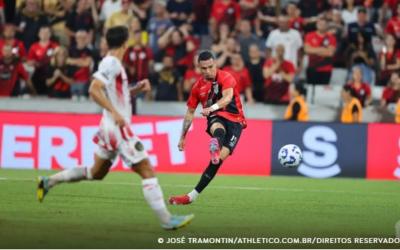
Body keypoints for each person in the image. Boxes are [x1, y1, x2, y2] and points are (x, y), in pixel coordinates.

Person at [36, 26, 194, 230]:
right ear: (125, 42)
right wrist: (116, 113)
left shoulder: (114, 63)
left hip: (109, 127)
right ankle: (167, 220)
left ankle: (48, 182)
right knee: (146, 170)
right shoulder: (111, 62)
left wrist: (136, 89)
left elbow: (116, 94)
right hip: (117, 129)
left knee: (95, 173)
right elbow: (94, 89)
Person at [168, 50, 246, 205]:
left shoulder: (226, 76)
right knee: (217, 125)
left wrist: (212, 107)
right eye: (204, 68)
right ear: (199, 68)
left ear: (215, 63)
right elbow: (190, 113)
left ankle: (191, 196)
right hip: (217, 117)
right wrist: (183, 136)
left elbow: (228, 97)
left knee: (216, 162)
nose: (208, 71)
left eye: (210, 67)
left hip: (236, 121)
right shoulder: (197, 87)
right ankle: (215, 143)